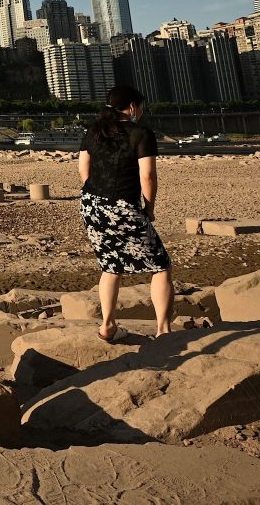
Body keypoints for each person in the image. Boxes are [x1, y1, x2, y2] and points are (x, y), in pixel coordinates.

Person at [77, 84, 173, 340]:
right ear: (132, 107)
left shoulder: (95, 131)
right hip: (122, 204)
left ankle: (107, 326)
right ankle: (163, 331)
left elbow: (84, 169)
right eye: (140, 106)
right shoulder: (141, 133)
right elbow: (148, 176)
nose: (141, 110)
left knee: (111, 265)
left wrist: (97, 192)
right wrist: (149, 207)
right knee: (160, 265)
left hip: (92, 204)